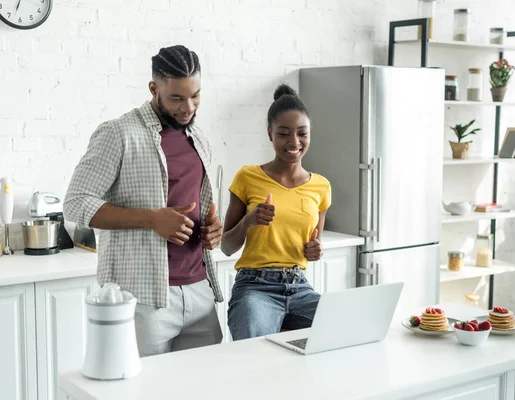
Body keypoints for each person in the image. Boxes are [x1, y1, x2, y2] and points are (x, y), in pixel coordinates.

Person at [64, 45, 224, 356]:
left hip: (200, 289)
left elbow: (196, 206)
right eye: (176, 98)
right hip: (142, 297)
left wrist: (212, 229)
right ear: (154, 89)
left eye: (195, 96)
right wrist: (152, 219)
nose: (187, 107)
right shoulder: (119, 133)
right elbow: (75, 202)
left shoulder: (199, 137)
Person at [220, 84, 331, 341]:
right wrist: (249, 220)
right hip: (254, 287)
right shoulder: (248, 177)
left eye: (302, 133)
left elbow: (313, 244)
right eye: (284, 134)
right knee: (253, 351)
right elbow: (226, 246)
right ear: (270, 134)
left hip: (300, 286)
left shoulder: (321, 186)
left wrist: (316, 250)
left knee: (344, 329)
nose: (294, 142)